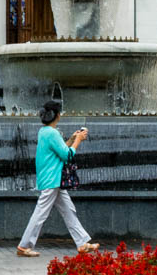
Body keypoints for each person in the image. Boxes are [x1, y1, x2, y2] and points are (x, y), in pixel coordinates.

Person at [15, 99, 98, 257]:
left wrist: (72, 140)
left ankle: (82, 243)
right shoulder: (52, 133)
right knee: (41, 213)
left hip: (53, 179)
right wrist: (78, 141)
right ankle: (24, 246)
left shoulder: (45, 131)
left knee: (68, 210)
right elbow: (67, 155)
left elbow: (60, 149)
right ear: (58, 115)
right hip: (52, 179)